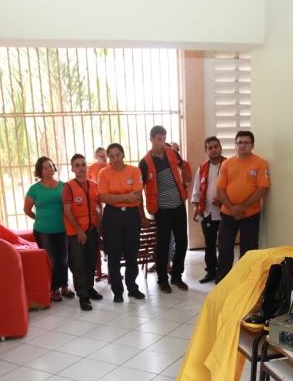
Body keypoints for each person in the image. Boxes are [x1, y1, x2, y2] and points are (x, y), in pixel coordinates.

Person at [139, 126, 189, 293]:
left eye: (164, 139)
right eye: (159, 139)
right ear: (151, 139)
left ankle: (177, 277)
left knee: (182, 243)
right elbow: (139, 190)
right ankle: (162, 280)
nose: (162, 143)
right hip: (162, 210)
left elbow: (184, 166)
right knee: (163, 245)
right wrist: (143, 216)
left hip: (179, 206)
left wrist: (184, 181)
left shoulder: (171, 152)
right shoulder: (145, 162)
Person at [97, 143, 149, 302]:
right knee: (113, 255)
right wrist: (126, 197)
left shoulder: (134, 171)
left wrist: (116, 197)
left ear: (123, 155)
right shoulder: (104, 173)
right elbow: (103, 198)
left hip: (131, 216)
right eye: (111, 156)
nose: (115, 159)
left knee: (131, 254)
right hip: (112, 216)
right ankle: (117, 291)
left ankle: (132, 287)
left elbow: (137, 195)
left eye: (118, 155)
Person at [216, 130, 270, 282]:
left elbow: (262, 188)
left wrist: (242, 207)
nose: (243, 145)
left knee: (249, 252)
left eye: (247, 142)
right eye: (240, 142)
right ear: (235, 145)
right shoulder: (227, 164)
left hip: (250, 215)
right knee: (224, 250)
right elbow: (219, 189)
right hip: (228, 215)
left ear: (252, 145)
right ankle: (222, 283)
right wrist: (233, 209)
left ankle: (245, 284)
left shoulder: (260, 163)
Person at [25, 157, 73, 302]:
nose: (49, 170)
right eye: (45, 168)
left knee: (63, 260)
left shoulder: (63, 186)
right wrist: (40, 220)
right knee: (51, 260)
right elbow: (27, 209)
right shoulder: (34, 189)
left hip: (62, 229)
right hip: (43, 230)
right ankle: (55, 289)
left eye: (50, 166)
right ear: (40, 171)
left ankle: (64, 286)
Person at [63, 154, 103, 311]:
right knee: (78, 263)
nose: (81, 168)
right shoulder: (68, 187)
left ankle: (89, 287)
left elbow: (99, 205)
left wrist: (99, 222)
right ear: (72, 168)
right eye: (77, 165)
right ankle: (83, 295)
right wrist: (79, 230)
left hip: (92, 230)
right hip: (76, 232)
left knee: (91, 261)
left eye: (83, 164)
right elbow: (67, 210)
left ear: (87, 167)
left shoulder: (94, 185)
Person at [192, 136, 227, 284]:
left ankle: (223, 274)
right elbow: (197, 189)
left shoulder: (229, 164)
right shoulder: (202, 167)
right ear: (206, 151)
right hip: (207, 213)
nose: (213, 150)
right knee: (210, 245)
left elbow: (234, 187)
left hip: (225, 213)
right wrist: (196, 207)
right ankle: (211, 272)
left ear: (220, 147)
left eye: (215, 146)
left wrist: (224, 199)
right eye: (210, 147)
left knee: (225, 245)